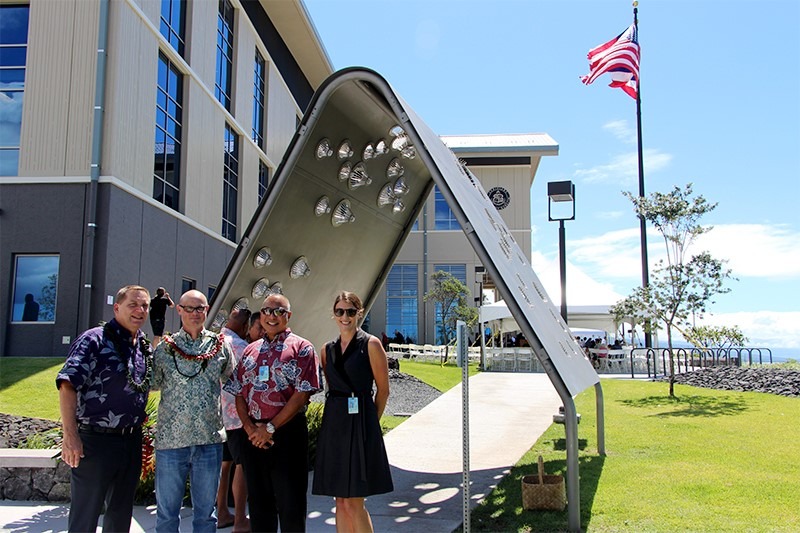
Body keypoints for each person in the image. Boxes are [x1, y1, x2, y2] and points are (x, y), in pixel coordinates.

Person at [56, 285, 152, 533]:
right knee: (85, 516)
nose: (140, 311)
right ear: (117, 307)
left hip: (130, 441)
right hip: (96, 442)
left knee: (120, 515)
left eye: (145, 306)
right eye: (133, 305)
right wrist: (70, 436)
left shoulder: (141, 344)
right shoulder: (94, 339)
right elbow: (67, 384)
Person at [224, 293, 320, 532]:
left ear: (288, 316)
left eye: (279, 311)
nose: (272, 316)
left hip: (287, 434)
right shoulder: (250, 350)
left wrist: (270, 428)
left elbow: (301, 395)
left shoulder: (302, 348)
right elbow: (238, 392)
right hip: (253, 437)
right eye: (267, 311)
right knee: (258, 505)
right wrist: (249, 428)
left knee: (291, 505)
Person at [152, 289, 233, 532]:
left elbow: (234, 381)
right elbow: (152, 384)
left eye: (200, 308)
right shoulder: (165, 349)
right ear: (179, 310)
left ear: (207, 310)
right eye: (189, 308)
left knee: (206, 516)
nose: (195, 313)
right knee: (166, 516)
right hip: (171, 442)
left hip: (208, 441)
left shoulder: (220, 346)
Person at [312, 291, 393, 532]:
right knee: (340, 500)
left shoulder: (371, 344)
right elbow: (332, 387)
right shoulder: (327, 350)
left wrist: (369, 424)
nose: (344, 316)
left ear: (359, 313)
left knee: (356, 500)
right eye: (340, 311)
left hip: (362, 425)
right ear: (334, 314)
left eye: (350, 311)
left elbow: (383, 391)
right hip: (335, 426)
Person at [217, 309, 252, 532]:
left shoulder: (214, 341)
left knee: (225, 466)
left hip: (217, 417)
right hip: (237, 417)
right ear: (246, 327)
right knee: (243, 466)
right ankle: (240, 519)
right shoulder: (242, 347)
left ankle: (221, 512)